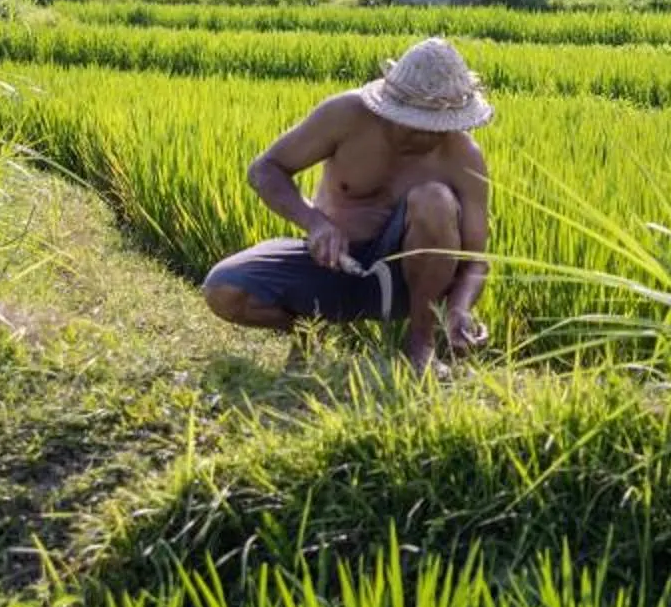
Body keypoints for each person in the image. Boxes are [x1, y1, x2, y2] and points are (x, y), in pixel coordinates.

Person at [201, 35, 493, 369]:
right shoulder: (346, 115)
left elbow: (475, 261)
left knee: (434, 200)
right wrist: (315, 223)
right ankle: (309, 330)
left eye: (440, 127)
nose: (428, 136)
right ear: (394, 110)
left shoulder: (464, 156)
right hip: (330, 264)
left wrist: (458, 310)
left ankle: (420, 347)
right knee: (224, 289)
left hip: (404, 285)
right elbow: (265, 169)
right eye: (417, 125)